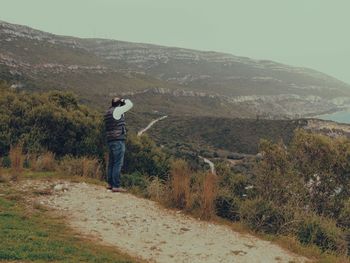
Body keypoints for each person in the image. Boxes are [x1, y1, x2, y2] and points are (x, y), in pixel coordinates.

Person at [104, 97, 133, 192]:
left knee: (111, 163)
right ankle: (116, 186)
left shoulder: (108, 112)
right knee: (118, 163)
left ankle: (110, 184)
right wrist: (123, 100)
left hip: (110, 140)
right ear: (119, 104)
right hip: (118, 140)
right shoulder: (117, 111)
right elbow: (130, 104)